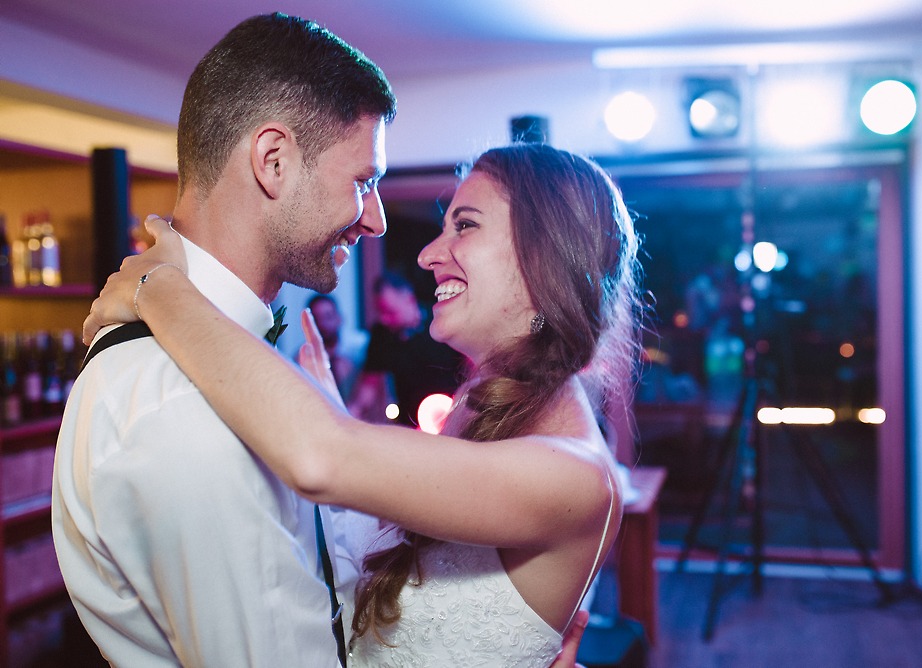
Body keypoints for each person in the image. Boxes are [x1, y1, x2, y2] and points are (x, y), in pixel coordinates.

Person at [82, 142, 643, 666]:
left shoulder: (578, 478)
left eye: (464, 226)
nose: (427, 254)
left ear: (547, 257)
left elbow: (321, 460)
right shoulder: (481, 406)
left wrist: (158, 287)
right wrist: (331, 412)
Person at [50, 13, 396, 667]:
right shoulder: (181, 401)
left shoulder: (245, 360)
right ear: (273, 161)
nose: (375, 219)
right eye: (363, 181)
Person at [349, 271, 464, 426]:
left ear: (409, 300)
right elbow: (370, 383)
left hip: (452, 419)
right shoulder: (381, 334)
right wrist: (350, 413)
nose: (384, 319)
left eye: (389, 311)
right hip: (409, 424)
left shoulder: (440, 320)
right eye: (380, 312)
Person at [307, 292, 357, 394]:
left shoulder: (358, 353)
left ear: (339, 318)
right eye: (317, 319)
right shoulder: (302, 360)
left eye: (328, 317)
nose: (323, 324)